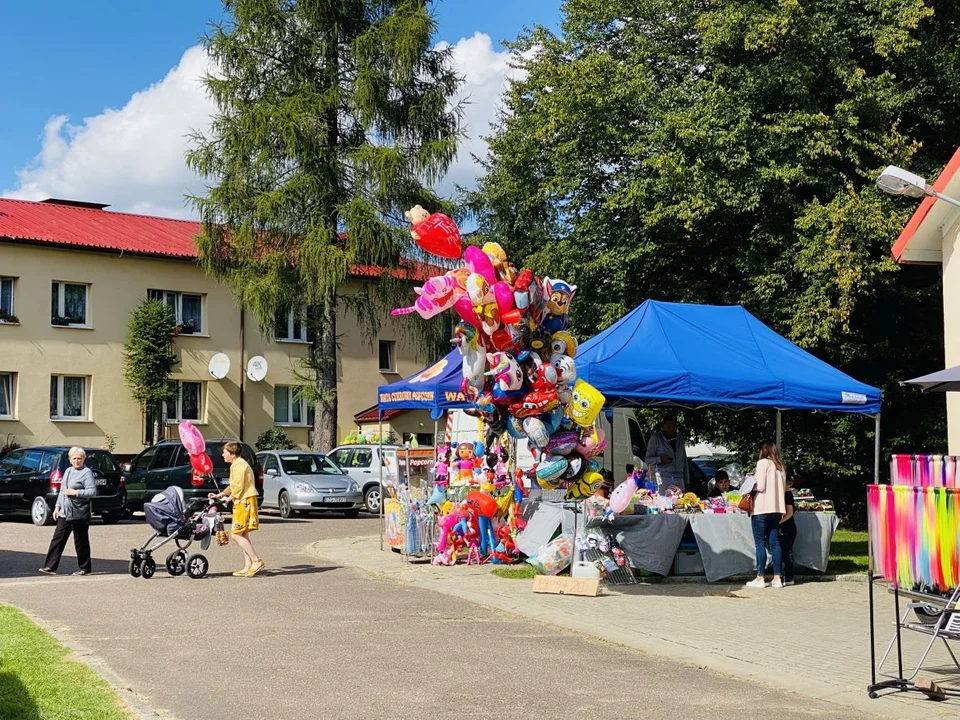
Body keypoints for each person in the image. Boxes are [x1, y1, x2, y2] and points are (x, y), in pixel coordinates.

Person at [209, 442, 265, 577]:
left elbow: (239, 486)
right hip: (244, 500)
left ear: (232, 454)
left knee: (235, 534)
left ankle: (256, 561)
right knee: (243, 534)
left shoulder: (238, 465)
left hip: (244, 501)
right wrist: (222, 494)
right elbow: (234, 485)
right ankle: (248, 565)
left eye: (225, 452)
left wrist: (229, 498)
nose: (223, 455)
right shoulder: (238, 464)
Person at [39, 447, 97, 576]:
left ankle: (85, 568)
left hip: (78, 511)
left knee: (80, 540)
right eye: (74, 458)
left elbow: (92, 492)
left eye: (79, 458)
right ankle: (50, 567)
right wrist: (57, 507)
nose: (77, 461)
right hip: (65, 511)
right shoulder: (68, 471)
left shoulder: (86, 472)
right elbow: (62, 491)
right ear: (70, 460)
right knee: (57, 539)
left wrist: (76, 492)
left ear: (84, 459)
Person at [745, 442, 786, 589]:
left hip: (762, 508)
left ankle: (760, 577)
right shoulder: (780, 466)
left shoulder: (763, 463)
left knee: (760, 544)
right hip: (777, 509)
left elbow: (760, 486)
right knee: (775, 544)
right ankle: (777, 577)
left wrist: (750, 483)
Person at [644, 415, 689, 491]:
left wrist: (687, 482)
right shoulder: (655, 439)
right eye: (668, 426)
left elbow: (684, 460)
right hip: (663, 479)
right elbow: (648, 460)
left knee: (680, 502)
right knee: (665, 502)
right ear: (663, 426)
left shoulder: (680, 439)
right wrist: (660, 459)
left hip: (679, 480)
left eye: (673, 426)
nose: (671, 429)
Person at [780, 474, 798, 587]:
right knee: (782, 552)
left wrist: (778, 523)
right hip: (784, 527)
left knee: (787, 553)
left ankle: (789, 576)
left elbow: (789, 513)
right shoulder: (781, 494)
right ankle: (783, 574)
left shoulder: (787, 495)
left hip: (788, 528)